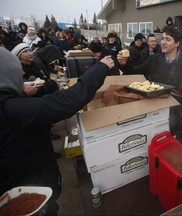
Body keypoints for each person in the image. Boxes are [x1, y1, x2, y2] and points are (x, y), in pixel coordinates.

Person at [0, 47, 114, 215]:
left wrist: (24, 91)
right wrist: (100, 68)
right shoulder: (9, 109)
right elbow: (67, 102)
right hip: (25, 196)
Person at [117, 25, 182, 100]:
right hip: (156, 104)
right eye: (162, 39)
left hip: (178, 107)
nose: (163, 42)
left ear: (177, 43)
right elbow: (135, 71)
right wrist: (124, 64)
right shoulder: (153, 59)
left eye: (168, 39)